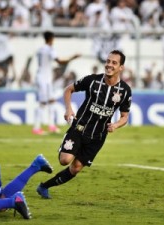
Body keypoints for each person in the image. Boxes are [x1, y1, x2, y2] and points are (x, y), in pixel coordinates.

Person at [36, 50, 132, 199]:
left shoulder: (125, 91)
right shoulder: (92, 81)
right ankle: (43, 162)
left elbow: (125, 116)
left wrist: (116, 125)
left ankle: (44, 187)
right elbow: (69, 90)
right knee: (65, 160)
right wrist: (68, 108)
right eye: (108, 61)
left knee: (76, 168)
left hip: (98, 137)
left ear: (121, 67)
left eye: (114, 63)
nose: (109, 65)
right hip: (79, 128)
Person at [32, 31, 80, 135]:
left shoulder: (40, 49)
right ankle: (36, 128)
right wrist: (73, 58)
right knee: (43, 103)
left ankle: (51, 126)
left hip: (44, 78)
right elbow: (59, 61)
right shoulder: (49, 49)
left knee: (52, 101)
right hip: (43, 79)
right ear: (51, 39)